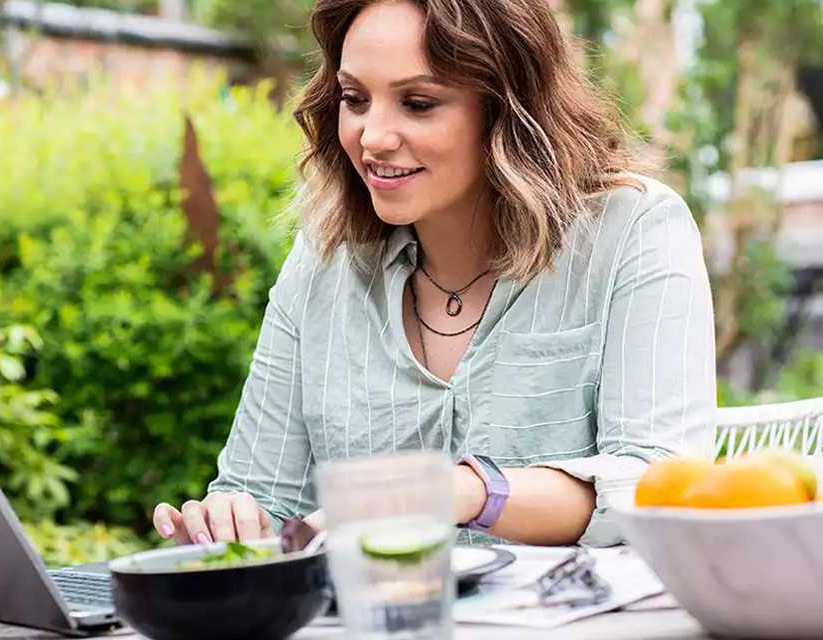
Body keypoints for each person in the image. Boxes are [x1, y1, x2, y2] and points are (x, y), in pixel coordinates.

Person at [152, 0, 715, 548]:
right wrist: (229, 525)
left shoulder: (633, 231)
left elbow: (661, 484)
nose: (372, 137)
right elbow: (268, 503)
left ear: (507, 110)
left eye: (418, 103)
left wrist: (465, 492)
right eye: (355, 98)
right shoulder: (324, 260)